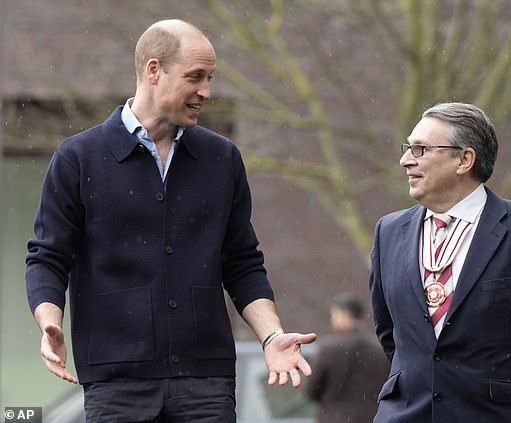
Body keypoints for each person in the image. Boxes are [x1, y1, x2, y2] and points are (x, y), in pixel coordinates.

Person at [25, 19, 316, 422]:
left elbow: (242, 262)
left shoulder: (222, 159)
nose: (206, 92)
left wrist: (271, 336)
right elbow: (47, 257)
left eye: (210, 78)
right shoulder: (78, 158)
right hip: (116, 382)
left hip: (206, 384)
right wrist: (49, 323)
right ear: (153, 70)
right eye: (195, 77)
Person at [369, 102, 511, 423]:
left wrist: (510, 393)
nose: (405, 159)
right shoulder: (388, 232)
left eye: (421, 149)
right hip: (406, 415)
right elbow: (390, 332)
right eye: (408, 147)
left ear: (464, 159)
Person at [306, 293, 389, 423]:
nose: (332, 320)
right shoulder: (380, 349)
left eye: (334, 315)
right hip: (372, 418)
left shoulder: (329, 349)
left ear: (344, 314)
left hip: (334, 418)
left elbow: (312, 390)